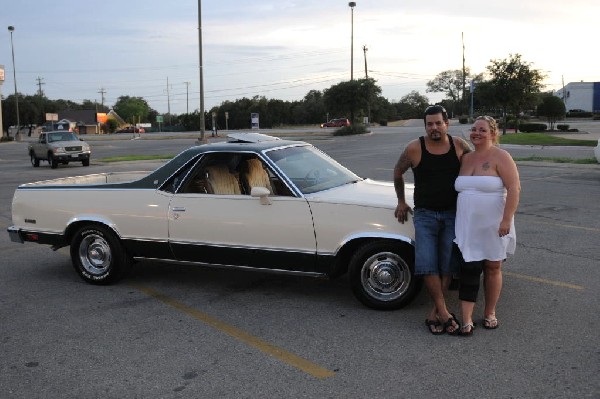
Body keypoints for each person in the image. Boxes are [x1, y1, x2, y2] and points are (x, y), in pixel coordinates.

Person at [394, 105, 472, 335]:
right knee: (427, 262)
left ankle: (435, 314)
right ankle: (445, 314)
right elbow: (398, 172)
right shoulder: (415, 147)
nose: (434, 128)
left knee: (447, 264)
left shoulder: (459, 146)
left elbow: (476, 170)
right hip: (425, 214)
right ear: (425, 125)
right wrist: (401, 201)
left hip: (452, 213)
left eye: (438, 123)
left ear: (447, 123)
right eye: (430, 124)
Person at [454, 116, 520, 336]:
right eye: (473, 129)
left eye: (482, 130)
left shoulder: (501, 157)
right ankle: (466, 319)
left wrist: (506, 220)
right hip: (468, 224)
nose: (476, 133)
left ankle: (490, 312)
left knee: (492, 267)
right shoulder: (465, 158)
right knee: (468, 268)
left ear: (493, 133)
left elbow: (514, 189)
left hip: (495, 223)